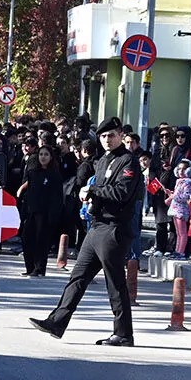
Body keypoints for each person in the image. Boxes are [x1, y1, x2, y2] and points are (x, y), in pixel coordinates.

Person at [30, 117, 142, 346]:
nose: (107, 140)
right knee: (77, 277)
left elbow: (122, 193)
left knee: (115, 283)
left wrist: (94, 190)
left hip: (113, 228)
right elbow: (98, 189)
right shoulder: (102, 161)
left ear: (120, 135)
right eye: (103, 136)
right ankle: (57, 321)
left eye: (111, 135)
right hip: (96, 226)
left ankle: (123, 333)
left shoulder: (128, 161)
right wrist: (88, 193)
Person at [18, 146, 63, 277]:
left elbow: (57, 197)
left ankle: (39, 268)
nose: (43, 157)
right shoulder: (33, 173)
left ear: (51, 157)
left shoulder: (54, 175)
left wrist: (53, 215)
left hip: (46, 214)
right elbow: (29, 193)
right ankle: (29, 267)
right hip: (32, 212)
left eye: (46, 155)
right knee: (27, 238)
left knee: (41, 241)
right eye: (41, 154)